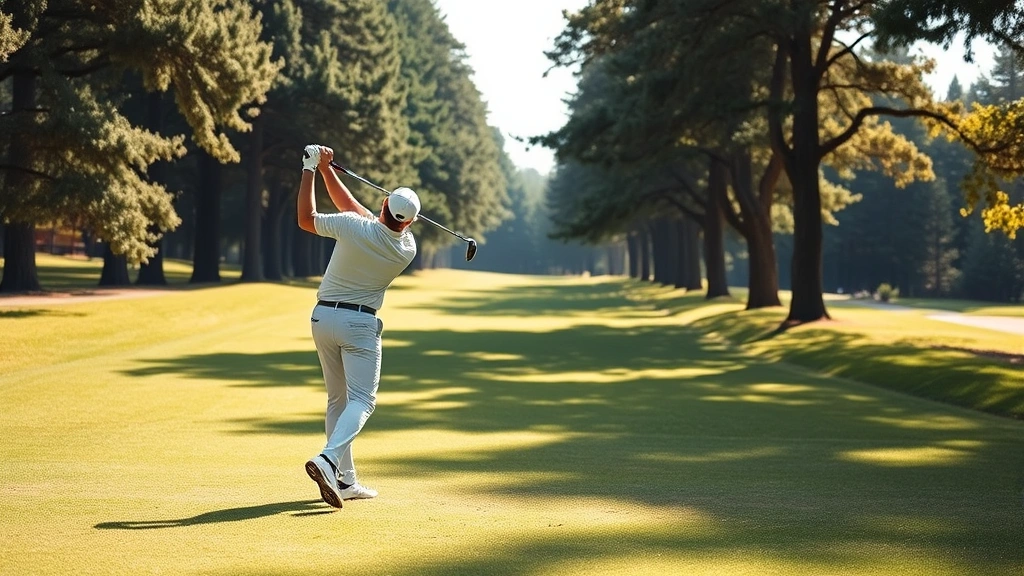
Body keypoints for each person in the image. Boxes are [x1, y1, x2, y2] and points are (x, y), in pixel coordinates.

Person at [296, 144, 419, 508]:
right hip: (359, 325)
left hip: (322, 318)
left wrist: (311, 169)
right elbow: (360, 212)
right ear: (408, 222)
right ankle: (329, 459)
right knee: (362, 400)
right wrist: (326, 169)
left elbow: (307, 219)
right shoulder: (406, 248)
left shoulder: (353, 227)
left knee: (339, 399)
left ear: (383, 206)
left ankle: (346, 480)